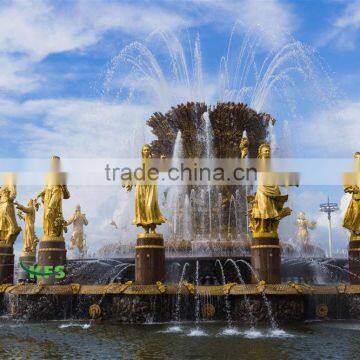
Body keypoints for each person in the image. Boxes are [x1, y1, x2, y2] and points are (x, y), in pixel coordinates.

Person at [125, 144, 166, 233]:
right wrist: (129, 183)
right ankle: (146, 229)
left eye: (148, 150)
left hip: (151, 186)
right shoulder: (138, 163)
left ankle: (153, 228)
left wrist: (163, 161)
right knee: (142, 206)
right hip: (140, 186)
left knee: (150, 206)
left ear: (150, 151)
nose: (146, 151)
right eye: (145, 150)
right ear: (142, 152)